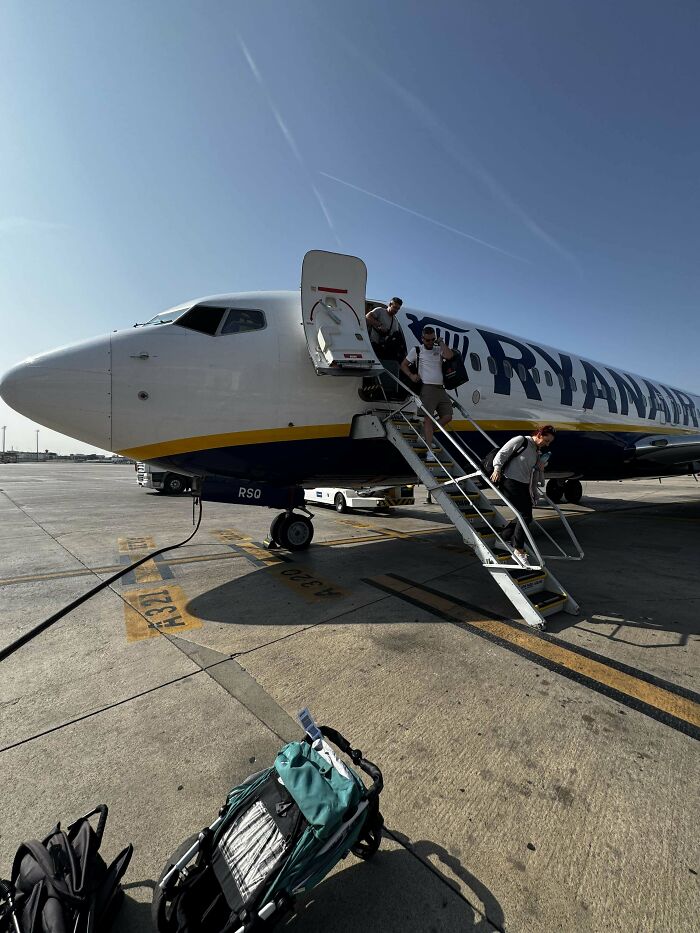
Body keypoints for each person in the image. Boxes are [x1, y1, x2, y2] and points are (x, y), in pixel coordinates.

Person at [490, 425, 556, 566]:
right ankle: (519, 550)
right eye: (546, 440)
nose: (547, 444)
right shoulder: (521, 440)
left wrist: (540, 467)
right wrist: (497, 469)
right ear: (539, 435)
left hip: (523, 485)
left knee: (524, 516)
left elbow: (532, 471)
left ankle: (503, 538)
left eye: (549, 442)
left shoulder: (536, 451)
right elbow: (502, 453)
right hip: (510, 481)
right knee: (525, 515)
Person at [400, 326, 455, 461]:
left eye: (432, 339)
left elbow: (449, 356)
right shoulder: (417, 350)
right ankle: (430, 450)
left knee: (448, 416)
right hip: (427, 388)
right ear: (422, 339)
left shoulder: (438, 349)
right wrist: (411, 375)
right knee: (428, 419)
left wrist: (441, 342)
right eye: (427, 340)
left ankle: (426, 433)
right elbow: (403, 365)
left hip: (440, 388)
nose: (430, 342)